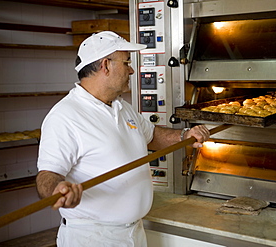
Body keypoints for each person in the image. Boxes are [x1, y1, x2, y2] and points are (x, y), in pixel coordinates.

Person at [35, 31, 210, 247]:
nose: (132, 69)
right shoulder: (66, 116)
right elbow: (47, 174)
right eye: (126, 62)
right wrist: (58, 189)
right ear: (105, 65)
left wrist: (185, 135)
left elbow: (152, 135)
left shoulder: (121, 106)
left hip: (133, 232)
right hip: (93, 238)